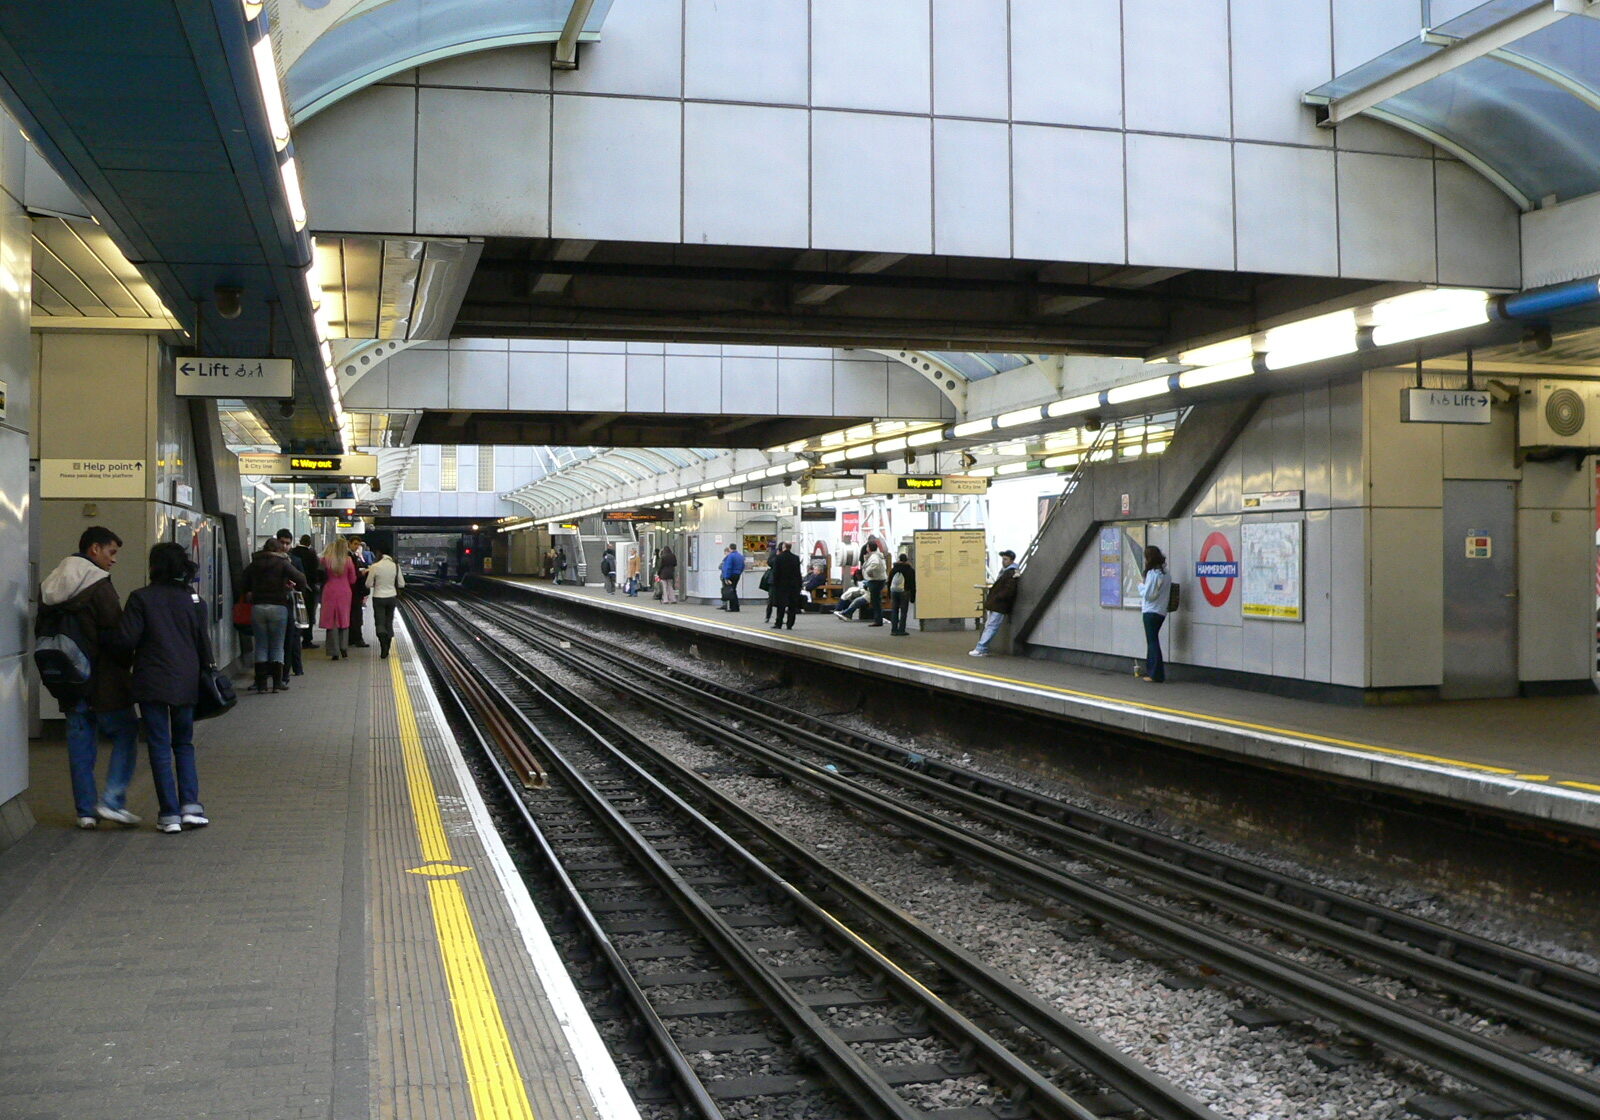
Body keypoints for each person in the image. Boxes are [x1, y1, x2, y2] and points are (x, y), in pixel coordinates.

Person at [38, 526, 139, 829]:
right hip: (102, 679)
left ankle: (84, 812)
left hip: (69, 680)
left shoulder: (51, 584)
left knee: (80, 744)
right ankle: (112, 801)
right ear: (94, 549)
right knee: (126, 733)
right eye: (112, 552)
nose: (114, 559)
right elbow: (115, 634)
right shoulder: (98, 584)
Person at [111, 542, 212, 833]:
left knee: (158, 745)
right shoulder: (194, 601)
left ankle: (169, 814)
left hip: (151, 681)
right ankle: (191, 807)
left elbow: (126, 640)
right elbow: (203, 645)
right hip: (186, 680)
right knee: (183, 743)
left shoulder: (140, 598)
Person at [238, 537, 307, 692]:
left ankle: (261, 685)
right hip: (278, 607)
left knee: (261, 645)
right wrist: (293, 587)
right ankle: (277, 683)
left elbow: (242, 581)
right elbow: (301, 578)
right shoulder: (282, 563)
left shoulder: (255, 563)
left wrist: (250, 592)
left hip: (258, 607)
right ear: (277, 549)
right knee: (277, 645)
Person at [970, 549, 1020, 657]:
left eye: (1006, 559)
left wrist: (997, 597)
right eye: (1003, 559)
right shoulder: (1007, 572)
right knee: (990, 625)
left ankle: (981, 648)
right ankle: (982, 648)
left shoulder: (1011, 573)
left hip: (1000, 605)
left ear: (1011, 560)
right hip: (998, 604)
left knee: (991, 626)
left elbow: (1009, 590)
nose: (1003, 561)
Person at [319, 538, 359, 659]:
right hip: (344, 591)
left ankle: (333, 651)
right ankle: (343, 647)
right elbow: (353, 579)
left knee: (331, 621)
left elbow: (320, 575)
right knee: (344, 618)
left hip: (329, 590)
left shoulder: (326, 560)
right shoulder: (348, 560)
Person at [366, 542, 406, 658]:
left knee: (379, 622)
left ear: (379, 553)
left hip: (378, 597)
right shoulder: (395, 566)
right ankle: (387, 646)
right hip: (391, 597)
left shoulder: (375, 566)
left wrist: (377, 583)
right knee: (389, 622)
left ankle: (383, 645)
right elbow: (402, 584)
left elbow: (368, 584)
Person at [1139, 544, 1171, 683]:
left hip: (1150, 611)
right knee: (1153, 640)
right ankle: (1153, 670)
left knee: (1152, 642)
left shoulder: (1153, 574)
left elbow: (1148, 595)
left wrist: (1140, 586)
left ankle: (1155, 673)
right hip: (1161, 611)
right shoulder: (1166, 573)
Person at [291, 534, 323, 648]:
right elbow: (316, 571)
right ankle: (307, 639)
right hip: (309, 588)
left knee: (295, 613)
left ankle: (295, 637)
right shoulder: (311, 554)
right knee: (309, 613)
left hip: (294, 588)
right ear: (309, 543)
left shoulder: (292, 552)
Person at [768, 542, 803, 630]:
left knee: (781, 606)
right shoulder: (795, 558)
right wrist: (800, 585)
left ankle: (779, 623)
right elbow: (798, 573)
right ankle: (790, 624)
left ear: (783, 547)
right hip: (793, 586)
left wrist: (775, 584)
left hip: (781, 585)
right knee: (792, 605)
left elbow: (776, 573)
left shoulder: (778, 558)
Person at [347, 538, 371, 646]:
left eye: (358, 544)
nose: (357, 546)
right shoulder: (349, 556)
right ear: (349, 544)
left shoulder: (354, 556)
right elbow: (354, 574)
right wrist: (363, 572)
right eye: (355, 544)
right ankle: (357, 638)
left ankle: (351, 638)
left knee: (353, 614)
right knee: (356, 615)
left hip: (353, 590)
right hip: (354, 590)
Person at [860, 542, 889, 628]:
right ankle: (878, 619)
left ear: (869, 548)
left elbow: (874, 565)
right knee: (876, 600)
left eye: (867, 547)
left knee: (875, 601)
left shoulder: (874, 557)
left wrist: (869, 572)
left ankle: (878, 620)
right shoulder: (875, 555)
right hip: (877, 580)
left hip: (875, 580)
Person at [889, 552, 917, 636]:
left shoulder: (893, 569)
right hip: (905, 592)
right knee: (903, 612)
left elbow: (889, 582)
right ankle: (901, 630)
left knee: (894, 611)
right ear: (906, 560)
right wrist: (913, 596)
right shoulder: (910, 570)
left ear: (899, 559)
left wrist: (889, 594)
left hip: (894, 591)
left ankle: (894, 630)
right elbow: (912, 584)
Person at [719, 542, 745, 611]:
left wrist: (726, 577)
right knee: (733, 589)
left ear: (730, 548)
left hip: (731, 575)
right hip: (737, 574)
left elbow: (728, 567)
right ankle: (735, 606)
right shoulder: (740, 556)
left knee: (730, 591)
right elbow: (743, 566)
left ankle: (734, 607)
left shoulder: (730, 556)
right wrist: (739, 572)